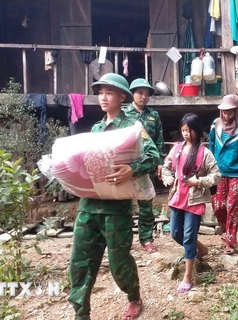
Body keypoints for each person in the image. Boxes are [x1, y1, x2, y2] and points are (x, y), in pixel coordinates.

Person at [68, 73, 159, 320]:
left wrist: (132, 169)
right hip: (88, 206)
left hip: (116, 208)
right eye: (100, 93)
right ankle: (81, 313)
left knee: (119, 262)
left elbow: (152, 155)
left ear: (122, 97)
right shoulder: (96, 129)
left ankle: (133, 296)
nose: (103, 97)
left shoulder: (133, 127)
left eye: (109, 92)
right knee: (80, 263)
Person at [161, 113, 221, 293]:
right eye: (184, 130)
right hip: (177, 197)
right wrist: (167, 178)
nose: (186, 134)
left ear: (197, 131)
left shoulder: (205, 153)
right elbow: (166, 166)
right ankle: (200, 247)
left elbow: (216, 175)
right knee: (175, 233)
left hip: (195, 200)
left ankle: (188, 277)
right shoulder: (177, 148)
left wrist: (199, 182)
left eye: (189, 130)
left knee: (188, 236)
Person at [123, 78, 166, 253]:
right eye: (140, 93)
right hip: (126, 165)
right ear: (132, 94)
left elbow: (159, 140)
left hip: (146, 165)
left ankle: (146, 239)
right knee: (123, 205)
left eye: (147, 94)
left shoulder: (153, 115)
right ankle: (124, 240)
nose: (144, 97)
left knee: (146, 204)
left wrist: (160, 163)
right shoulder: (123, 113)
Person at [208, 94, 238, 255]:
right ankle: (225, 231)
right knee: (218, 206)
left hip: (236, 172)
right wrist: (209, 165)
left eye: (230, 112)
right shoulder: (215, 125)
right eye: (224, 112)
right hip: (218, 171)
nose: (227, 115)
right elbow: (211, 145)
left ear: (236, 111)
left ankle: (230, 242)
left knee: (232, 205)